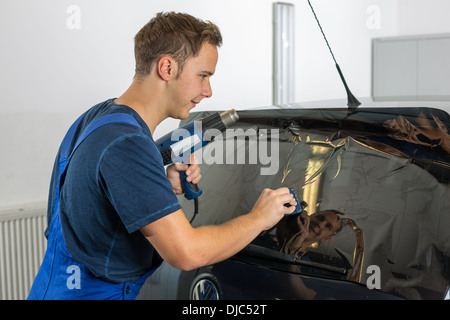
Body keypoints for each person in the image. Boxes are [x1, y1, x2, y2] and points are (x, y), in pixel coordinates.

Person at [27, 11, 296, 300]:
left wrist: (156, 182)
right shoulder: (126, 144)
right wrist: (259, 218)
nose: (208, 91)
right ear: (167, 67)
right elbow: (187, 253)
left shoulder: (99, 116)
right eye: (203, 76)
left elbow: (90, 199)